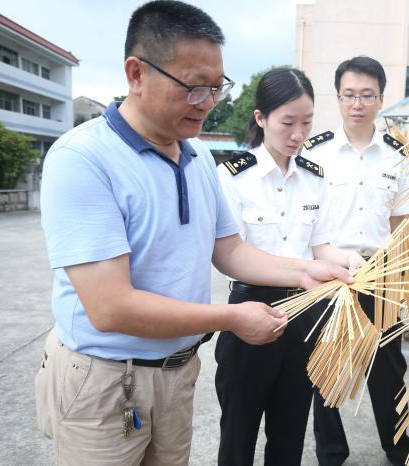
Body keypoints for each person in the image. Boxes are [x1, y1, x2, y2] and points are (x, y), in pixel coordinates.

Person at [34, 2, 352, 465]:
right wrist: (233, 318)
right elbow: (110, 307)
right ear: (136, 73)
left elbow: (230, 250)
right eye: (193, 88)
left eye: (217, 87)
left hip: (177, 374)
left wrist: (307, 269)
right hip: (105, 382)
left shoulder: (198, 157)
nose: (207, 102)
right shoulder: (83, 160)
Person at [214, 68, 365, 466]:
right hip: (247, 314)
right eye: (288, 123)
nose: (298, 134)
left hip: (304, 319)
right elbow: (232, 255)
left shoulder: (315, 179)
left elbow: (321, 247)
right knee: (238, 435)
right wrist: (305, 269)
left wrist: (350, 260)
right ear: (261, 118)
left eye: (307, 122)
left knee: (289, 434)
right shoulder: (234, 178)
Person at [304, 56, 409, 466]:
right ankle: (331, 453)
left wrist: (403, 275)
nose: (357, 103)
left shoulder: (397, 154)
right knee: (327, 367)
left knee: (389, 370)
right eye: (349, 95)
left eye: (367, 95)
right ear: (338, 98)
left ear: (381, 98)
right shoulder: (317, 153)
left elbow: (402, 223)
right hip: (330, 274)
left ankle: (399, 449)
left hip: (382, 275)